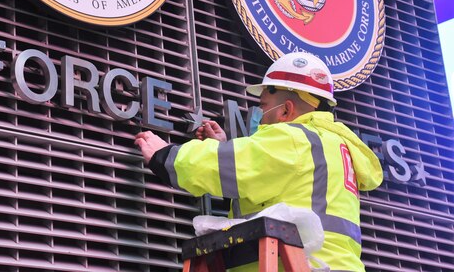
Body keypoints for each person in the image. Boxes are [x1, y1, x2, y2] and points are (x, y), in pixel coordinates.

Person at [135, 52, 383, 271]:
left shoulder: (294, 139)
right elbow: (275, 187)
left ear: (286, 111)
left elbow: (226, 166)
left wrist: (165, 155)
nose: (259, 118)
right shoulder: (333, 147)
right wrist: (226, 147)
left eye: (262, 107)